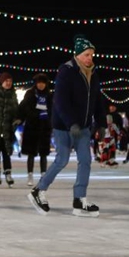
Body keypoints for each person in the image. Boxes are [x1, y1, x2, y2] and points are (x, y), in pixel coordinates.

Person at [27, 34, 105, 218]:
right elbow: (60, 102)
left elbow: (98, 101)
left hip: (84, 127)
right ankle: (38, 190)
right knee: (62, 160)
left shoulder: (93, 74)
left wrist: (101, 124)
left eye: (92, 55)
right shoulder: (66, 71)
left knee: (85, 160)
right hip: (64, 126)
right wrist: (71, 123)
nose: (90, 58)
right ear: (77, 54)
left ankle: (79, 200)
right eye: (86, 54)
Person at [17, 73, 53, 187]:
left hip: (45, 126)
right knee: (31, 153)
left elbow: (53, 109)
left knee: (44, 153)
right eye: (39, 83)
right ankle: (30, 175)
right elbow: (24, 107)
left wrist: (52, 120)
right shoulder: (30, 94)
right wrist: (21, 118)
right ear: (36, 83)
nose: (41, 85)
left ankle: (43, 176)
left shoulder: (50, 95)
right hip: (32, 126)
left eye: (43, 83)